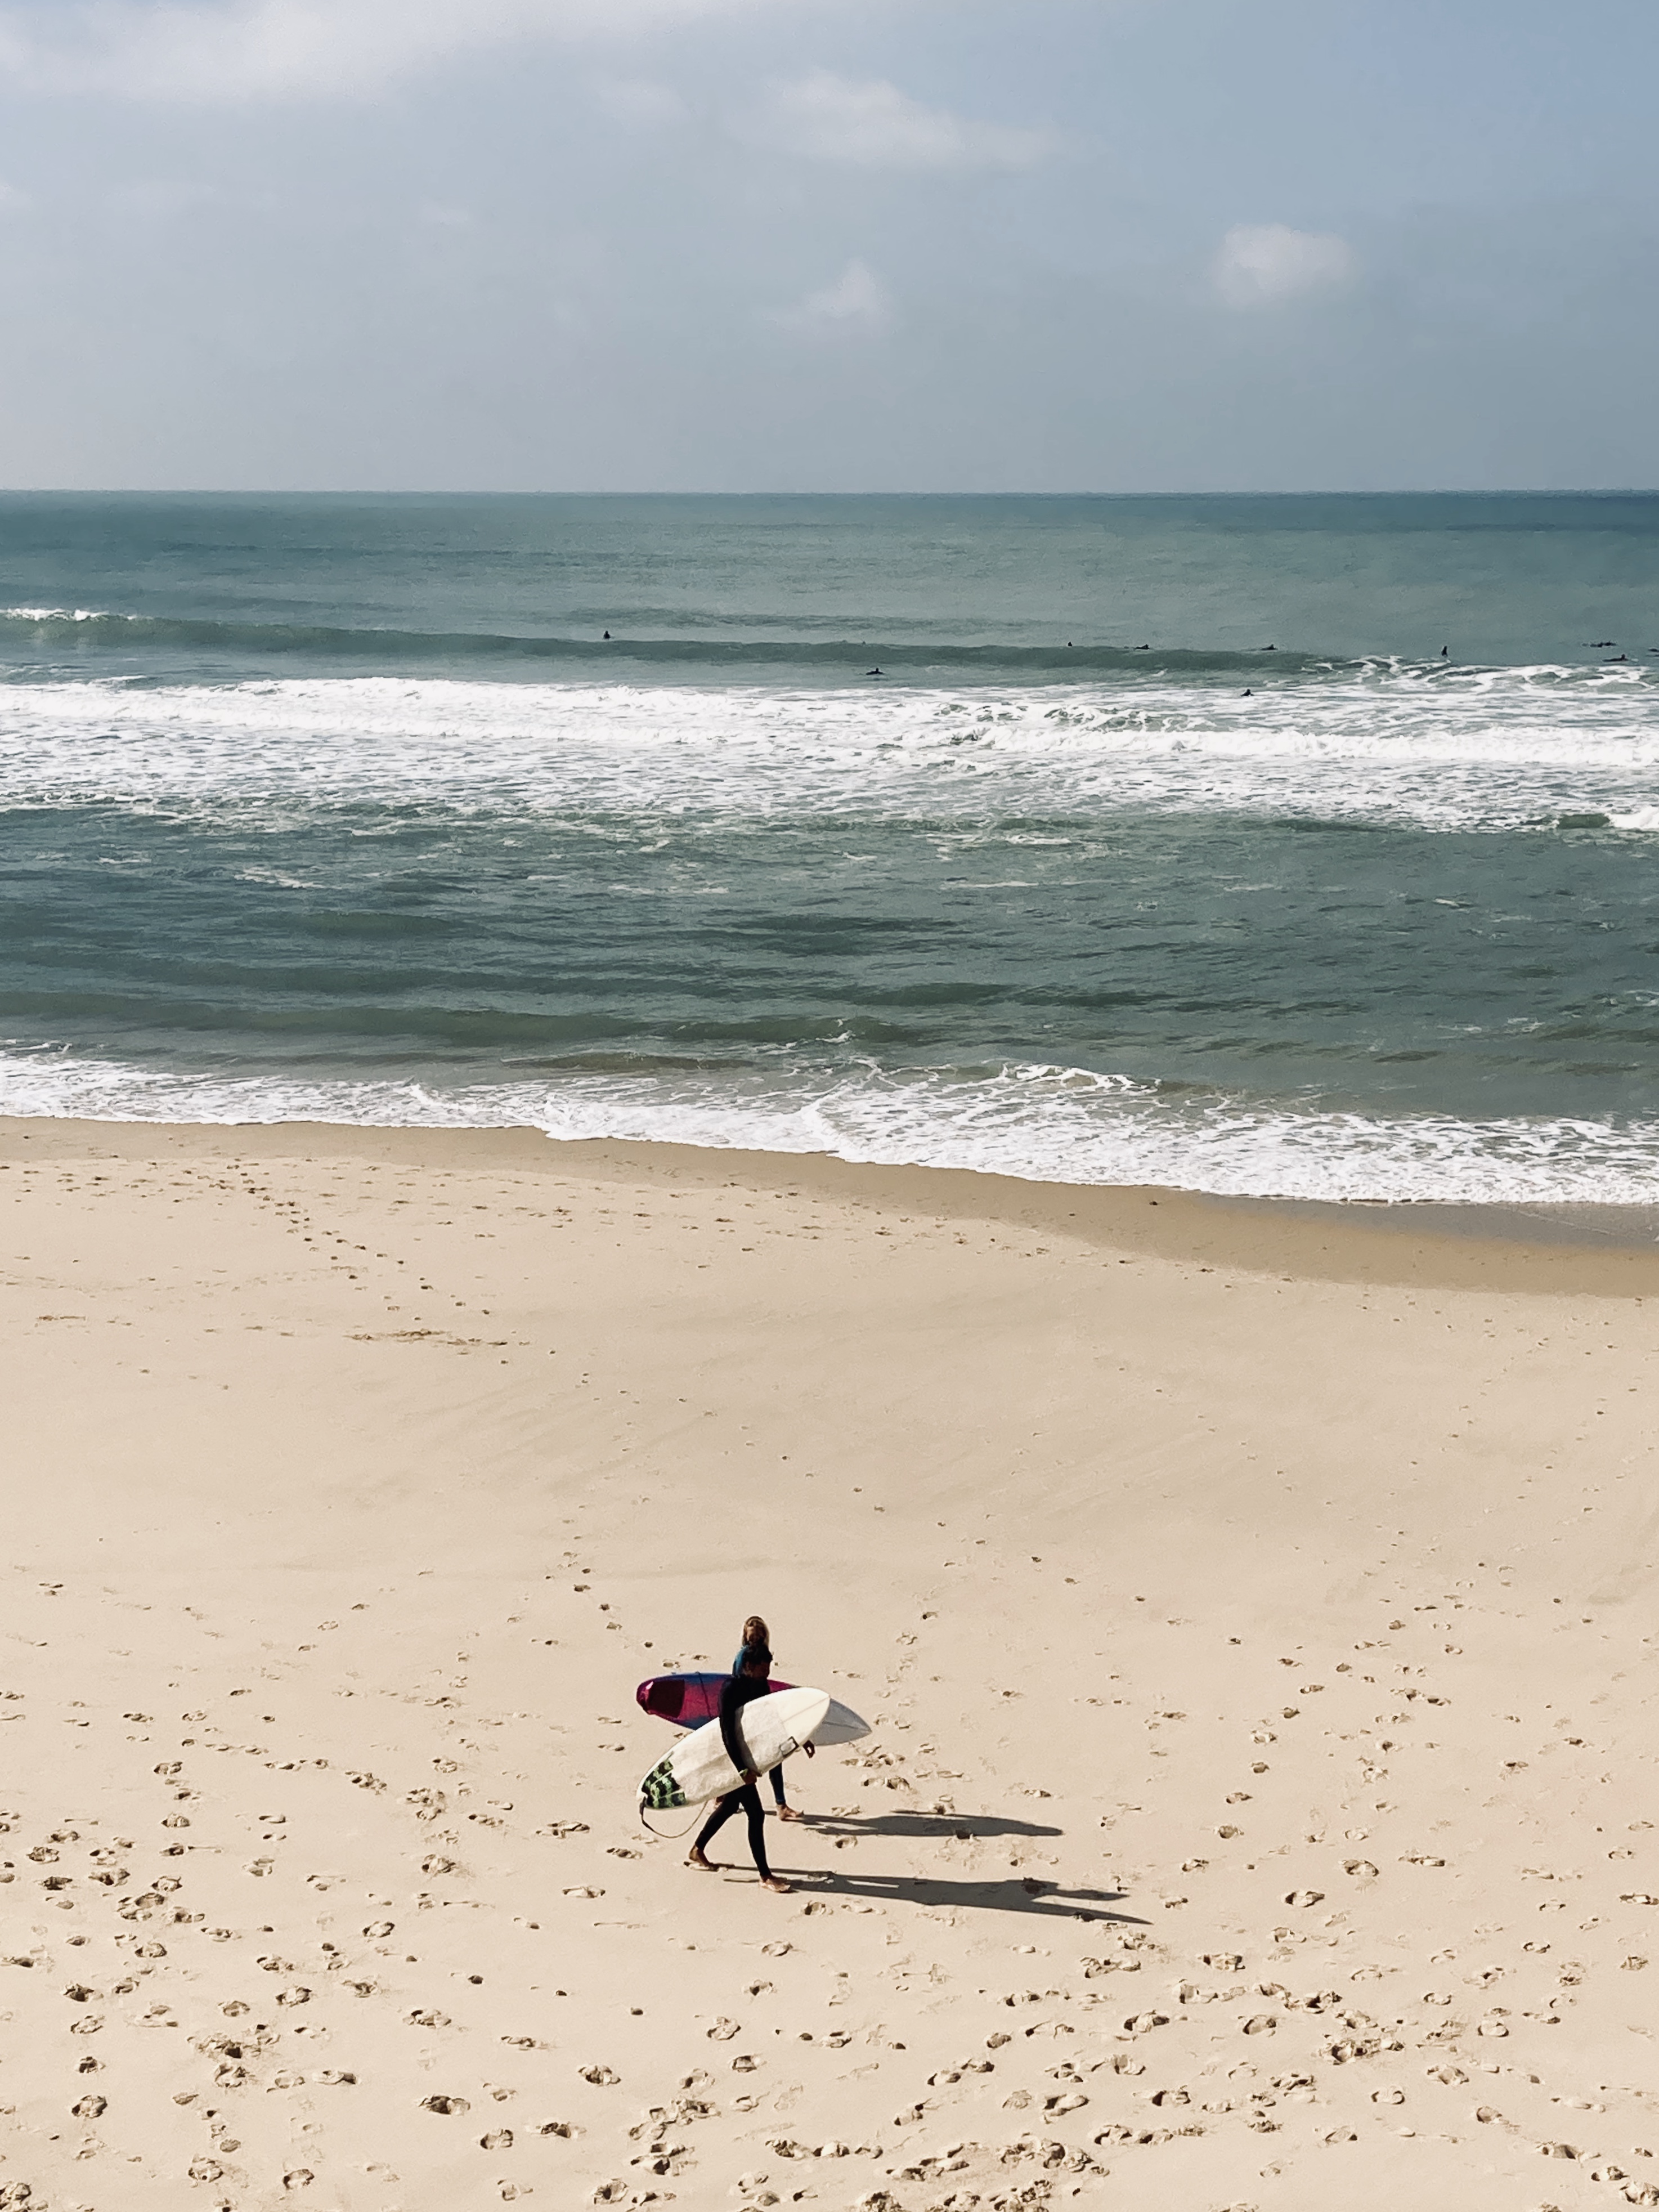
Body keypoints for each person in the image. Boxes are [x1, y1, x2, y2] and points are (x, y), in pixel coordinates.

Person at [687, 1637, 791, 1893]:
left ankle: (697, 1849)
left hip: (747, 1756)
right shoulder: (730, 1689)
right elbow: (727, 1732)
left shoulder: (761, 1686)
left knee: (732, 1804)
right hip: (731, 1756)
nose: (767, 1673)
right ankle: (765, 1876)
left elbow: (770, 1722)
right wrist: (740, 1769)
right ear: (749, 1666)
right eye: (763, 1668)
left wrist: (800, 1739)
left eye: (769, 1668)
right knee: (755, 1814)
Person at [732, 1614, 813, 1819]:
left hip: (763, 1712)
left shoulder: (764, 1654)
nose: (756, 1639)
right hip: (749, 1716)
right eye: (752, 1636)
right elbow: (735, 1686)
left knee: (775, 1759)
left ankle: (781, 1806)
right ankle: (725, 1798)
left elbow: (764, 1689)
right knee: (746, 1762)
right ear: (745, 1636)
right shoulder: (743, 1656)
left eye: (759, 1635)